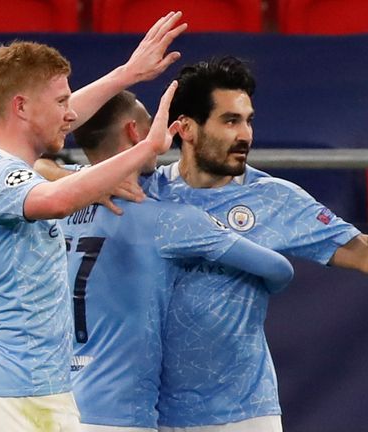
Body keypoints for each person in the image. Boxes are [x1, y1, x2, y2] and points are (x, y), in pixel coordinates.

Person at [146, 56, 368, 432]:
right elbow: (51, 180)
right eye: (230, 121)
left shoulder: (274, 198)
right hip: (152, 413)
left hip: (245, 416)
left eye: (248, 120)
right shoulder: (145, 192)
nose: (245, 135)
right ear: (186, 128)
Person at [0, 12, 187, 431]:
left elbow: (55, 146)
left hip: (35, 388)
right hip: (15, 397)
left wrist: (127, 74)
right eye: (60, 102)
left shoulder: (2, 167)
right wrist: (145, 147)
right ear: (21, 106)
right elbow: (57, 200)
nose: (70, 115)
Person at [59, 90, 294, 432]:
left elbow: (36, 165)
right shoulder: (169, 220)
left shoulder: (54, 205)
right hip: (121, 413)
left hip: (61, 404)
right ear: (135, 132)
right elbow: (279, 269)